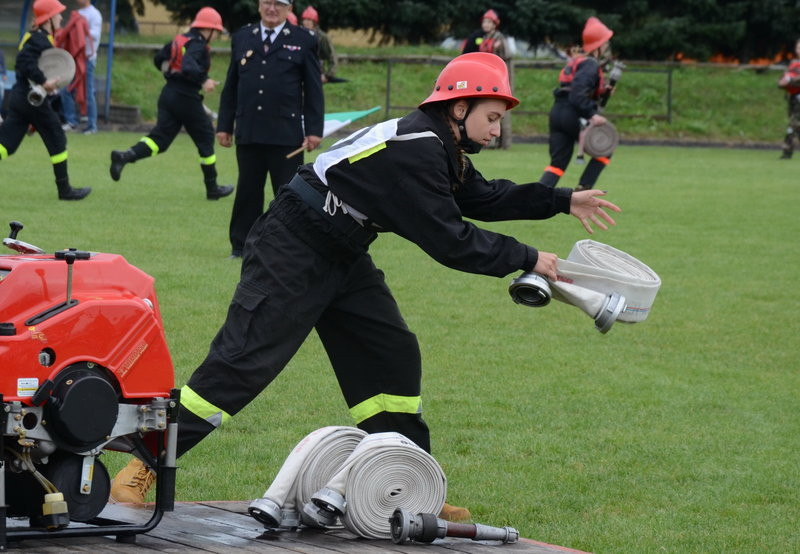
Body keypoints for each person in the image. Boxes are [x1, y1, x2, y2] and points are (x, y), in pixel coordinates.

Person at [110, 52, 620, 521]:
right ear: (459, 106)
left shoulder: (438, 144)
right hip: (293, 245)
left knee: (390, 355)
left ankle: (408, 485)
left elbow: (482, 198)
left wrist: (561, 201)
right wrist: (529, 257)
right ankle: (139, 463)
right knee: (243, 362)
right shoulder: (418, 151)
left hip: (341, 249)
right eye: (492, 116)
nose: (497, 128)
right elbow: (451, 241)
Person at [216, 0, 324, 259]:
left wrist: (313, 130)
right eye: (267, 2)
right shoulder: (243, 37)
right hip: (250, 129)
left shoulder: (304, 39)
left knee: (289, 193)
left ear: (289, 8)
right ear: (259, 5)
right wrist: (224, 124)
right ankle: (241, 245)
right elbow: (231, 85)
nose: (272, 8)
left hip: (285, 133)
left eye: (278, 3)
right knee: (248, 190)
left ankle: (291, 245)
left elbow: (313, 89)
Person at [108, 7, 233, 201]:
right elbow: (189, 66)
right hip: (186, 97)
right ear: (207, 30)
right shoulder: (198, 44)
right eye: (216, 31)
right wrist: (204, 80)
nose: (216, 35)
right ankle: (213, 188)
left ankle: (125, 156)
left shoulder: (179, 39)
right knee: (206, 136)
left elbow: (159, 59)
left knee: (160, 139)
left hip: (168, 95)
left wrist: (170, 72)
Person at [0, 0, 90, 200]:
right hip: (32, 100)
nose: (60, 17)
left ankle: (65, 189)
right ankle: (65, 190)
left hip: (20, 97)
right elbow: (24, 63)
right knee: (57, 138)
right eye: (57, 14)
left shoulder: (35, 36)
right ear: (48, 19)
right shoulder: (40, 39)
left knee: (6, 144)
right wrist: (44, 81)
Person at [539, 16, 615, 190]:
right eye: (606, 42)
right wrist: (592, 114)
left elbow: (573, 88)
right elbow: (577, 95)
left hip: (557, 113)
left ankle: (536, 197)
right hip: (572, 113)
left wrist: (603, 92)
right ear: (600, 44)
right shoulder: (590, 64)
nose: (607, 46)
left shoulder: (578, 61)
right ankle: (584, 188)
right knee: (606, 147)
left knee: (557, 164)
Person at [461, 9, 511, 148]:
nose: (486, 24)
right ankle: (486, 141)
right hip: (485, 80)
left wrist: (498, 49)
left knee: (500, 113)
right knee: (487, 111)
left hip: (498, 81)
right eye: (485, 21)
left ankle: (504, 143)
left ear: (495, 24)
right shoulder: (481, 38)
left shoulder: (499, 38)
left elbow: (507, 57)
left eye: (489, 22)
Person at [58, 0, 101, 134]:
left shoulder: (95, 14)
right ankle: (71, 121)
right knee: (66, 90)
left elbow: (95, 35)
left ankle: (92, 125)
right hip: (74, 58)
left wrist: (81, 27)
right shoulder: (77, 13)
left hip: (87, 59)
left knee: (88, 92)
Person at [300, 6, 338, 83]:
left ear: (314, 21)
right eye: (304, 19)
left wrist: (328, 75)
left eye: (309, 20)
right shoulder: (299, 34)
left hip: (316, 74)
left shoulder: (322, 37)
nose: (306, 22)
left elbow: (332, 57)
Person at [778, 38, 800, 160]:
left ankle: (787, 152)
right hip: (794, 99)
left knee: (794, 124)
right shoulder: (794, 64)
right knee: (794, 125)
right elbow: (783, 80)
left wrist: (792, 80)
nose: (799, 50)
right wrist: (783, 82)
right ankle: (787, 151)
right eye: (798, 47)